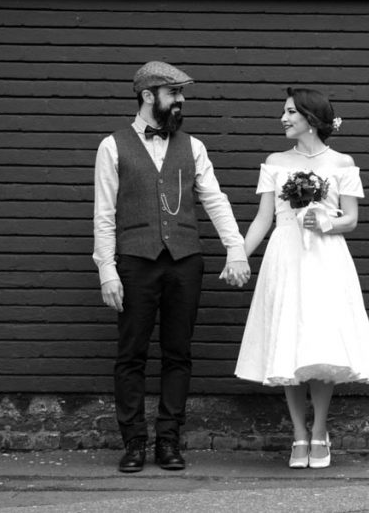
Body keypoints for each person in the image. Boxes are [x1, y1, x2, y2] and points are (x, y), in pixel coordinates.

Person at [93, 61, 251, 473]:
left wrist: (235, 249)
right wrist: (106, 270)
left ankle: (168, 440)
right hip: (134, 262)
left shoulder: (193, 147)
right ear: (148, 96)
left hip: (185, 261)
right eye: (173, 94)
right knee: (131, 354)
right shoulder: (112, 146)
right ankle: (133, 443)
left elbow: (215, 199)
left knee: (178, 353)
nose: (180, 102)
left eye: (181, 95)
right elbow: (104, 214)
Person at [235, 87, 369, 470]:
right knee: (288, 341)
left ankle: (319, 431)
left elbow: (351, 219)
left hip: (325, 258)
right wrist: (238, 254)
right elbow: (263, 219)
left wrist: (328, 221)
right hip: (286, 256)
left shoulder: (341, 163)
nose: (283, 119)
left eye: (289, 113)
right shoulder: (275, 161)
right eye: (283, 112)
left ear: (310, 119)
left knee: (322, 343)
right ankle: (298, 434)